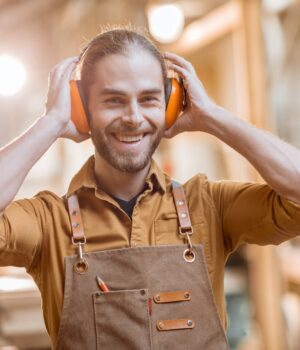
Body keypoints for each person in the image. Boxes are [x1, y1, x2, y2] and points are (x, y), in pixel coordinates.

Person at [0, 27, 299, 350]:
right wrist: (51, 123)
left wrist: (213, 116)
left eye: (149, 99)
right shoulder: (48, 222)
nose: (133, 117)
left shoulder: (209, 205)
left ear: (169, 106)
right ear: (82, 109)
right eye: (113, 100)